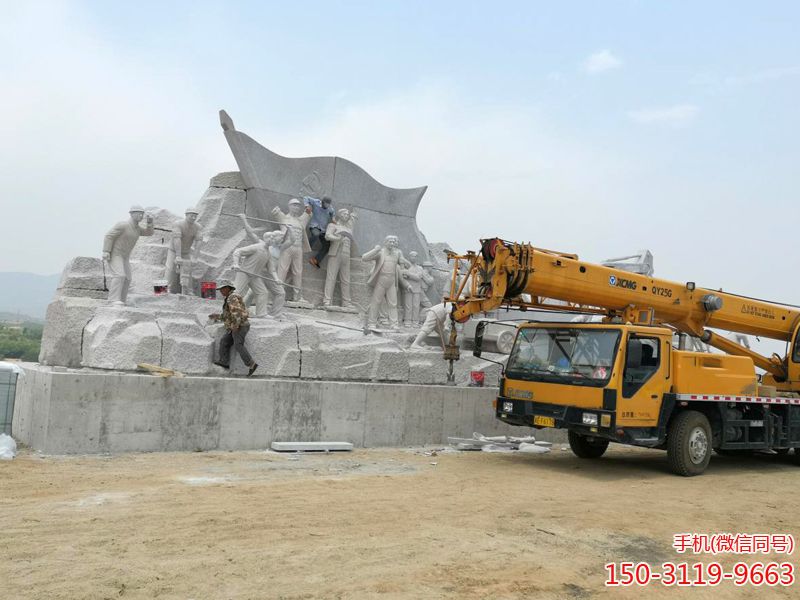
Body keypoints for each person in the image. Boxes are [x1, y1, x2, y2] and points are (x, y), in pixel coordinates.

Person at [233, 221, 293, 318]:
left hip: (255, 276)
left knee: (262, 292)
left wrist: (276, 279)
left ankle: (261, 314)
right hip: (245, 272)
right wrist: (236, 263)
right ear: (266, 238)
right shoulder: (257, 246)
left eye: (274, 238)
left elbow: (272, 269)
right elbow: (238, 251)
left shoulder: (268, 252)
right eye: (272, 237)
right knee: (236, 292)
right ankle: (232, 312)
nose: (273, 239)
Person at [103, 205, 154, 305]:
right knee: (119, 275)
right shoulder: (123, 225)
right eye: (138, 213)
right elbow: (109, 236)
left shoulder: (137, 229)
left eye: (142, 213)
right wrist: (106, 251)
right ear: (131, 214)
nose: (141, 215)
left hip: (125, 256)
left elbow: (149, 233)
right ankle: (112, 300)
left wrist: (150, 223)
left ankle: (121, 300)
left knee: (127, 278)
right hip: (115, 254)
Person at [210, 280, 258, 376]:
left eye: (222, 289)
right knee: (224, 341)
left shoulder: (232, 297)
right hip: (236, 325)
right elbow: (228, 315)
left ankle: (251, 364)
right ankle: (224, 362)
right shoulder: (229, 297)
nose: (221, 291)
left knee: (238, 345)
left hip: (240, 325)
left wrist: (236, 325)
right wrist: (217, 316)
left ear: (228, 288)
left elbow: (237, 312)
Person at [362, 235, 411, 329]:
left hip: (391, 281)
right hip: (381, 280)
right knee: (376, 302)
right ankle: (371, 323)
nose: (392, 243)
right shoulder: (380, 252)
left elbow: (404, 265)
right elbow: (364, 258)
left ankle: (394, 324)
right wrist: (375, 250)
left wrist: (405, 270)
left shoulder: (397, 254)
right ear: (385, 242)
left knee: (393, 303)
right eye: (390, 241)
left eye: (393, 242)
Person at [271, 198, 312, 302]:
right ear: (289, 206)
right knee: (282, 270)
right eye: (294, 205)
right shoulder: (284, 218)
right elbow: (275, 213)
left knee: (298, 272)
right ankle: (277, 294)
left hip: (298, 248)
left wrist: (308, 206)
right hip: (287, 247)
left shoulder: (301, 220)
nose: (296, 207)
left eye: (298, 205)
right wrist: (276, 211)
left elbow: (308, 213)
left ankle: (297, 296)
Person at [322, 207, 358, 309]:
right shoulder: (333, 225)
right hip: (336, 252)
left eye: (347, 214)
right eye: (344, 214)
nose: (346, 216)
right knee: (331, 277)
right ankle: (327, 300)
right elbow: (327, 236)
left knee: (346, 279)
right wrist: (337, 238)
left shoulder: (349, 228)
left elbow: (353, 219)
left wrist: (354, 213)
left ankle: (346, 302)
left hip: (346, 254)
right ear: (339, 215)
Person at [166, 207, 203, 294]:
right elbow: (177, 239)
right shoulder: (178, 224)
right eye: (191, 215)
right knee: (170, 268)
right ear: (186, 215)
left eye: (195, 216)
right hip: (174, 251)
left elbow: (199, 242)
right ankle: (167, 288)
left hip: (186, 252)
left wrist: (195, 257)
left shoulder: (198, 227)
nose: (193, 218)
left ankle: (189, 290)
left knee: (188, 269)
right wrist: (178, 256)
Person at [304, 195, 335, 268]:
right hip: (314, 226)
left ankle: (315, 260)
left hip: (323, 230)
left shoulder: (330, 209)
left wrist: (333, 218)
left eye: (328, 204)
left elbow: (333, 213)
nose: (327, 205)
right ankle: (306, 247)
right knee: (316, 234)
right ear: (322, 202)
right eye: (325, 203)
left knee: (327, 245)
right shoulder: (316, 202)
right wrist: (307, 206)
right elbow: (306, 198)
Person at [400, 251, 425, 327]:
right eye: (411, 256)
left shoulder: (420, 268)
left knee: (416, 306)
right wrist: (407, 274)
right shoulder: (406, 267)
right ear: (409, 258)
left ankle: (415, 321)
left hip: (417, 289)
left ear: (417, 258)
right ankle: (407, 321)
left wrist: (408, 274)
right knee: (408, 305)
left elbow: (418, 278)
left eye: (415, 256)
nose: (413, 258)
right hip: (408, 288)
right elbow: (403, 277)